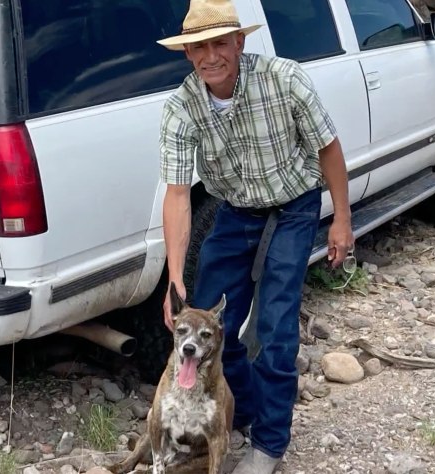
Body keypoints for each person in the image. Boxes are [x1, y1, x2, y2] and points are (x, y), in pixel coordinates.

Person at [156, 0, 354, 472]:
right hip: (236, 209)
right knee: (208, 323)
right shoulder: (180, 108)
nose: (211, 56)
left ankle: (269, 444)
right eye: (198, 47)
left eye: (220, 43)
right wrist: (174, 280)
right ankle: (238, 413)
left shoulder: (284, 78)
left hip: (294, 204)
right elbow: (178, 195)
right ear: (187, 53)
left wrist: (341, 219)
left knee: (276, 326)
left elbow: (328, 148)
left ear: (240, 42)